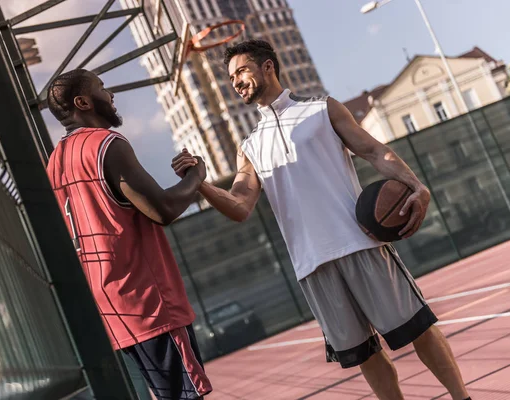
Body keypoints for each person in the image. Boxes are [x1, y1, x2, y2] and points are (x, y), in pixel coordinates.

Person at [171, 40, 470, 400]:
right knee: (365, 356)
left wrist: (417, 186)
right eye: (231, 76)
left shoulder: (321, 109)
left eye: (242, 71)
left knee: (419, 330)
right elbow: (239, 205)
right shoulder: (248, 146)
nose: (235, 81)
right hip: (311, 266)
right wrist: (199, 183)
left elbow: (375, 150)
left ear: (268, 67)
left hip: (359, 243)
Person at [45, 68, 212, 400]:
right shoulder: (106, 144)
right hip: (150, 302)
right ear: (83, 101)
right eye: (102, 88)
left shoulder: (55, 164)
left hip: (113, 308)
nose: (110, 96)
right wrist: (197, 175)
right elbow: (163, 209)